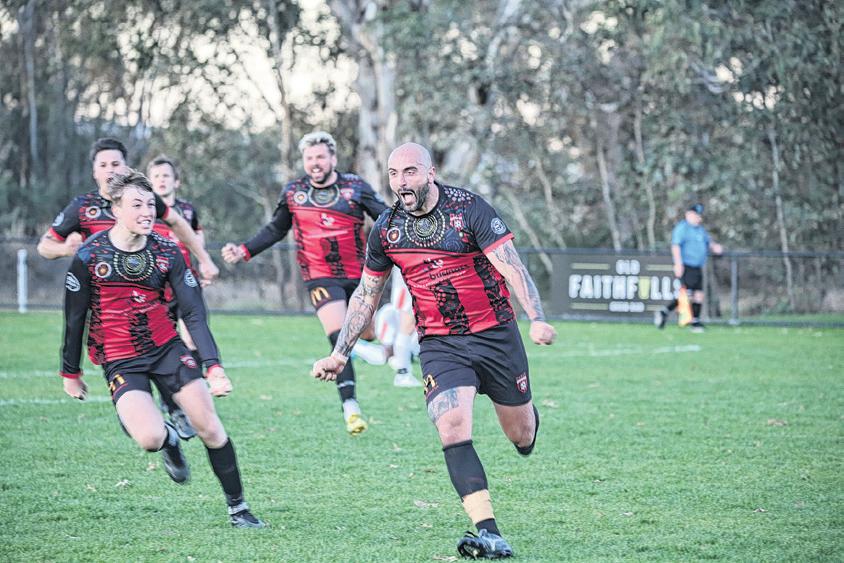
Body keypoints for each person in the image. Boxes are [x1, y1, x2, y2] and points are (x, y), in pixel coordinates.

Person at [312, 143, 556, 559]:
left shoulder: (469, 209)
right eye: (393, 174)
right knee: (452, 426)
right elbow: (366, 295)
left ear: (431, 172)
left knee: (522, 435)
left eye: (410, 172)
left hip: (495, 334)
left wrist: (536, 316)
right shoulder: (387, 228)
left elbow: (512, 265)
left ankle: (528, 420)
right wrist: (340, 352)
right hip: (440, 343)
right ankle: (489, 532)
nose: (401, 182)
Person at [59, 170, 264, 528]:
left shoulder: (167, 250)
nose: (147, 212)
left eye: (150, 205)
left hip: (167, 348)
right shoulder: (89, 256)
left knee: (209, 426)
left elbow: (193, 312)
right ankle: (170, 440)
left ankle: (239, 509)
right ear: (116, 210)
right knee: (150, 438)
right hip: (120, 358)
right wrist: (70, 372)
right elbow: (75, 318)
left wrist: (213, 366)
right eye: (136, 205)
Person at [38, 137, 218, 438]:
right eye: (103, 164)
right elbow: (45, 246)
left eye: (116, 163)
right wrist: (66, 250)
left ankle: (175, 409)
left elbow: (177, 223)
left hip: (154, 293)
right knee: (136, 409)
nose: (110, 169)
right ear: (94, 170)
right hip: (110, 311)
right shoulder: (82, 207)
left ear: (126, 166)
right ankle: (150, 422)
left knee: (170, 346)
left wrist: (204, 259)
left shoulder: (142, 198)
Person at [222, 131, 388, 434]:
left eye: (320, 156)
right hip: (319, 276)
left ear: (333, 158)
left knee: (368, 334)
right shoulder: (293, 192)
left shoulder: (355, 187)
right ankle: (351, 407)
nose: (315, 163)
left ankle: (364, 344)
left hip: (360, 275)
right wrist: (244, 250)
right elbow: (276, 229)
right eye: (309, 158)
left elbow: (386, 217)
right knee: (339, 336)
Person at [655, 203, 723, 332]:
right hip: (687, 266)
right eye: (696, 215)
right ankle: (668, 312)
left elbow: (708, 242)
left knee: (698, 294)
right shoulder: (683, 228)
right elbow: (675, 246)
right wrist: (678, 263)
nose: (699, 218)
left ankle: (692, 320)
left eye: (699, 216)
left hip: (698, 267)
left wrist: (715, 247)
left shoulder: (700, 230)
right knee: (687, 294)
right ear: (688, 215)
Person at [374, 266, 422, 387]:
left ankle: (403, 370)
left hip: (416, 273)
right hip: (410, 273)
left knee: (408, 324)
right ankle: (402, 373)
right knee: (407, 323)